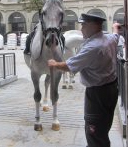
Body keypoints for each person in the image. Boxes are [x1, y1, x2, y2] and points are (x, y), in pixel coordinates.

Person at [48, 13, 121, 147]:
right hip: (111, 88)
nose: (81, 28)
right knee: (103, 127)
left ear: (93, 26)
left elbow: (69, 66)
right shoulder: (109, 38)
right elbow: (116, 35)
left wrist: (54, 64)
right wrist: (116, 27)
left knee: (94, 132)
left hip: (97, 95)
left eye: (83, 25)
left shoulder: (93, 47)